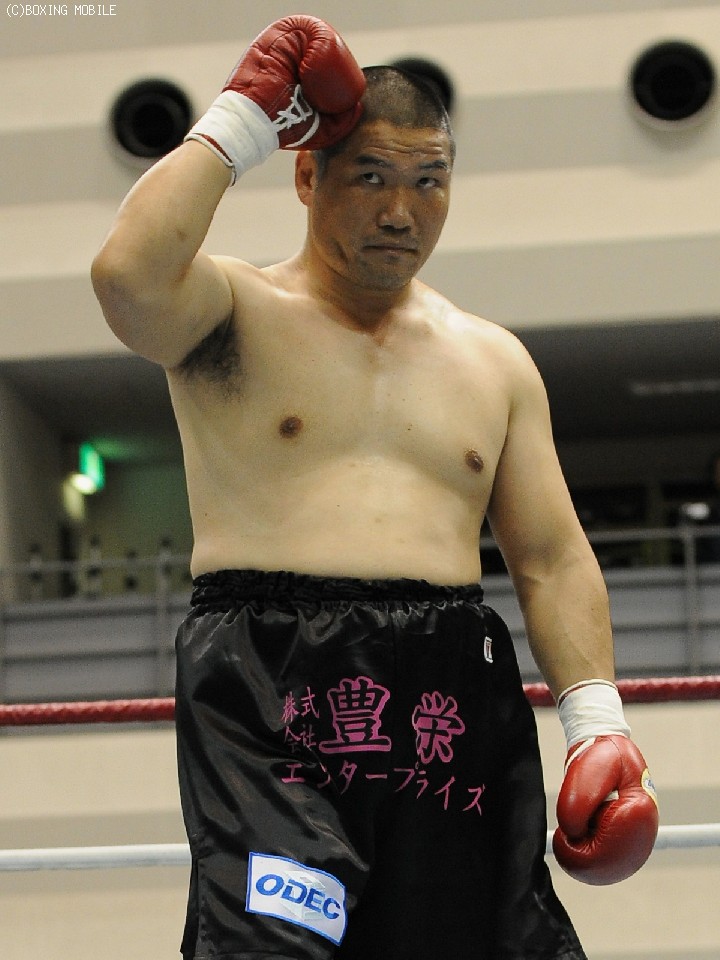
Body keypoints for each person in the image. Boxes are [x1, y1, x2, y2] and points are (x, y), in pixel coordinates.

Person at [91, 16, 659, 960]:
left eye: (430, 181)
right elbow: (125, 277)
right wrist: (242, 117)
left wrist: (596, 723)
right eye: (371, 178)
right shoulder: (231, 311)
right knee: (273, 947)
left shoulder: (494, 360)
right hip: (271, 679)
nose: (402, 211)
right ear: (306, 177)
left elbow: (552, 558)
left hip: (448, 680)